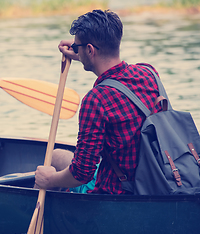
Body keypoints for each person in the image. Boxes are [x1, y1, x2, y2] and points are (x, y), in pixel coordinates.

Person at [34, 9, 162, 194]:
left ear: (90, 50)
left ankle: (35, 215)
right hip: (153, 178)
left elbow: (81, 173)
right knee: (59, 157)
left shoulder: (96, 100)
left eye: (79, 47)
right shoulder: (149, 73)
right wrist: (82, 52)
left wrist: (50, 180)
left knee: (51, 162)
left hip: (116, 191)